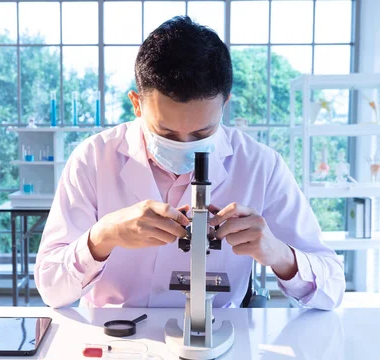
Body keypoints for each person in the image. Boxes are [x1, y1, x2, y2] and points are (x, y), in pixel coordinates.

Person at [34, 16, 345, 310]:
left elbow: (332, 290)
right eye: (166, 132)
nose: (185, 146)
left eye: (202, 132)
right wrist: (102, 237)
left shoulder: (261, 165)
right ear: (136, 104)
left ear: (225, 104)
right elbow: (51, 289)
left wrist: (279, 255)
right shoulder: (93, 159)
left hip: (218, 337)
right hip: (117, 340)